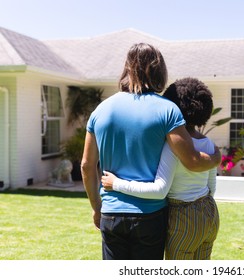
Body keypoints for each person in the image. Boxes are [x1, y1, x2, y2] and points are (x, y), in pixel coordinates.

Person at [81, 43, 221, 260]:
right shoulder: (167, 109)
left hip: (111, 211)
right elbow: (192, 161)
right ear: (159, 70)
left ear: (126, 68)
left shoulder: (101, 110)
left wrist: (96, 208)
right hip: (150, 215)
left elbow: (87, 166)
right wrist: (216, 157)